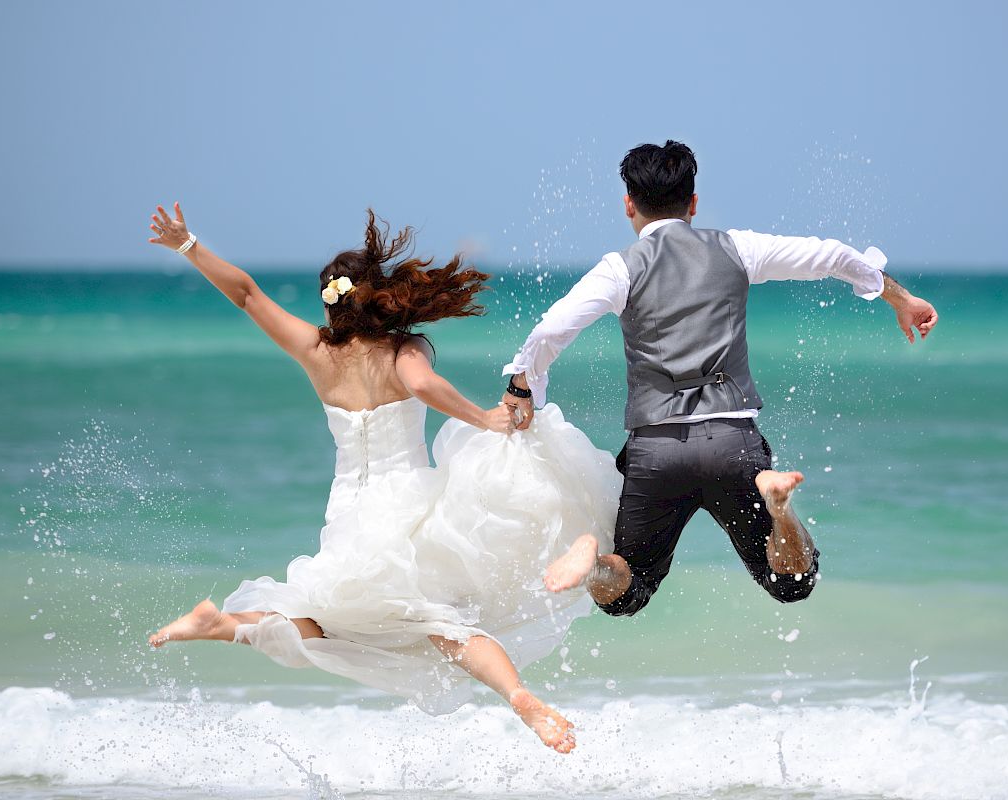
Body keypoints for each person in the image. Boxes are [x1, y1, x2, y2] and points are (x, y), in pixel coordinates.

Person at [144, 204, 621, 753]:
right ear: (380, 296)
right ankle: (517, 696)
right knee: (444, 623)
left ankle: (228, 624)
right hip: (410, 510)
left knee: (331, 625)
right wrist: (484, 418)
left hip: (348, 515)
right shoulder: (403, 349)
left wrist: (188, 246)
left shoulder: (316, 351)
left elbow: (248, 294)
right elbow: (421, 385)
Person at [498, 140, 939, 616]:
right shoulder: (736, 248)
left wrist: (522, 387)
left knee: (625, 591)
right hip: (733, 443)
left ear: (629, 203)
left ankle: (593, 564)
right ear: (693, 202)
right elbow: (830, 255)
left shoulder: (620, 268)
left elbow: (552, 329)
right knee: (791, 581)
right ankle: (779, 508)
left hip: (656, 450)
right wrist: (900, 298)